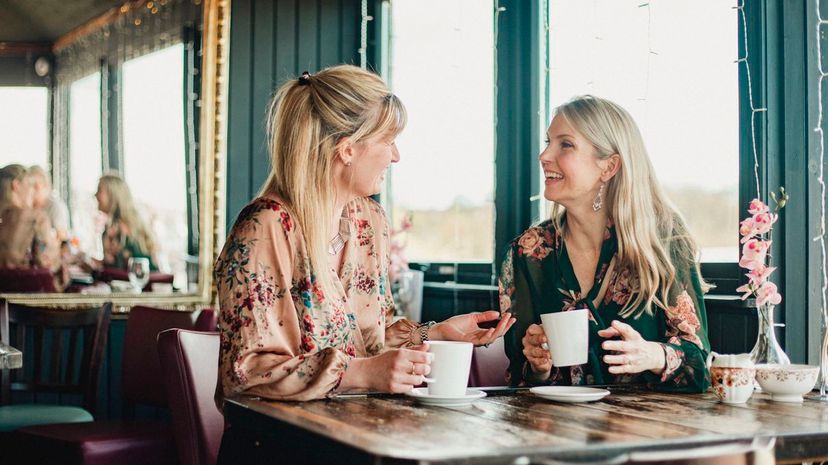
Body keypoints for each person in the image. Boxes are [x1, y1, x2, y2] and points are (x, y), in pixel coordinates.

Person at [214, 65, 515, 405]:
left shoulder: (369, 222)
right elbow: (249, 371)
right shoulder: (265, 227)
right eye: (388, 141)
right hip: (282, 439)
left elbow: (371, 338)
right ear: (348, 149)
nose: (396, 156)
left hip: (361, 427)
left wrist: (434, 333)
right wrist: (361, 374)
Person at [499, 95, 710, 393]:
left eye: (565, 144)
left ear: (609, 167)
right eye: (548, 142)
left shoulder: (663, 240)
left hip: (647, 430)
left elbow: (699, 368)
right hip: (559, 432)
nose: (544, 155)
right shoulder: (528, 253)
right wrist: (537, 367)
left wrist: (654, 355)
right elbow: (518, 380)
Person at [0, 164, 67, 290]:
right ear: (16, 185)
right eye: (30, 186)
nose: (33, 192)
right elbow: (47, 263)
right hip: (23, 301)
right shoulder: (36, 218)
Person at [94, 174, 159, 271]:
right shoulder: (113, 226)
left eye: (100, 190)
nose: (95, 195)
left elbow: (135, 270)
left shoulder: (125, 229)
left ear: (113, 195)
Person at [28, 165, 70, 241]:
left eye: (35, 186)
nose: (31, 190)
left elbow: (62, 237)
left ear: (45, 185)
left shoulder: (55, 206)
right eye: (29, 186)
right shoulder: (27, 206)